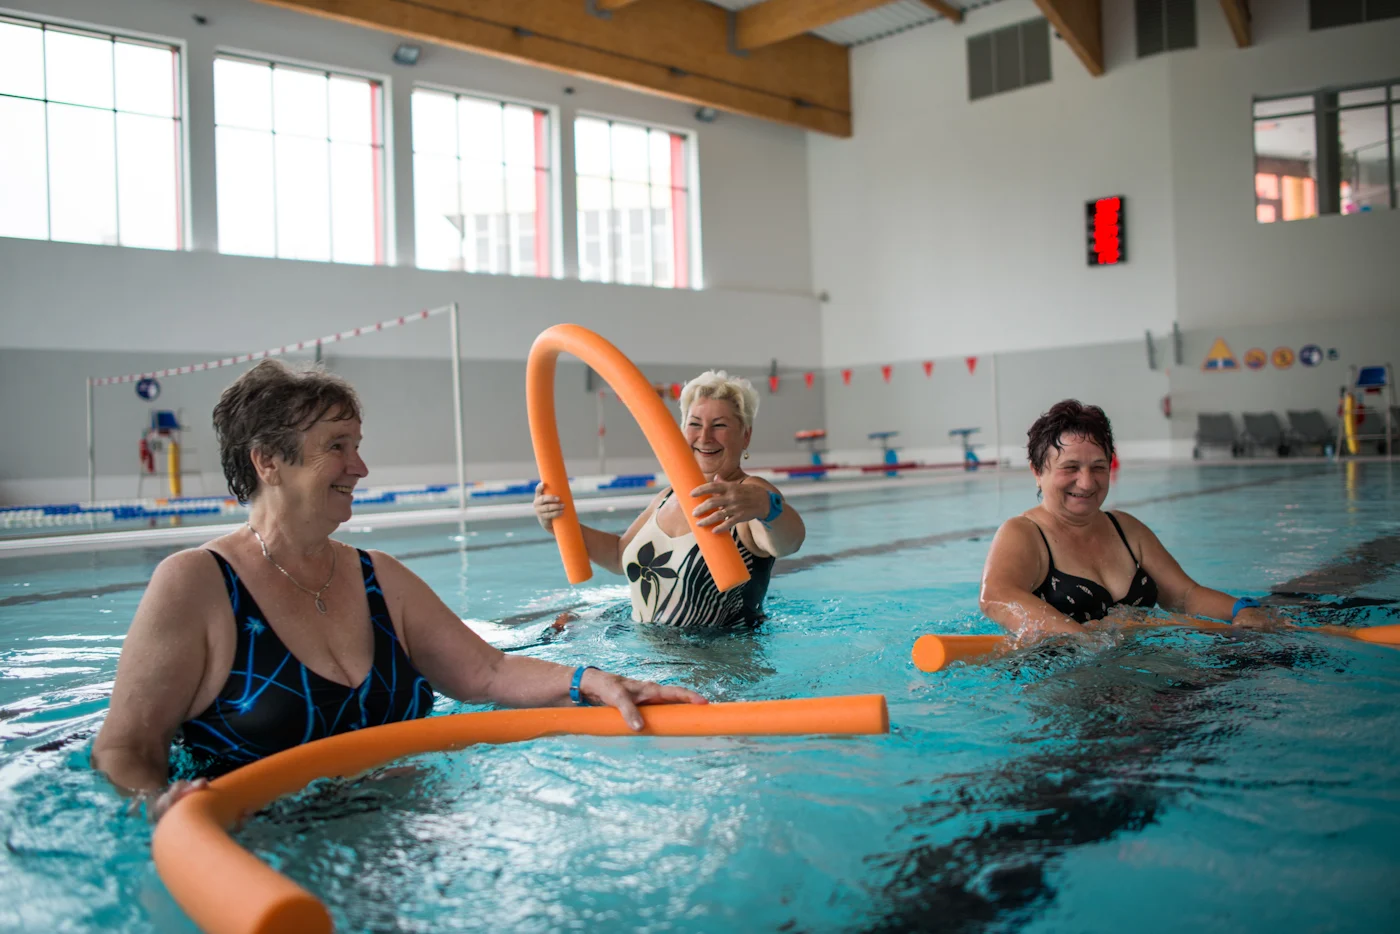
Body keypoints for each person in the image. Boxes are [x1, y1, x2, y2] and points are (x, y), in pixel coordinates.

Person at [92, 361, 703, 820]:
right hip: (265, 868)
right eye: (337, 447)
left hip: (407, 851)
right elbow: (125, 748)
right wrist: (157, 807)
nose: (360, 468)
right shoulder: (197, 585)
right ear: (267, 461)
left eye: (357, 447)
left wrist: (593, 681)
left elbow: (488, 673)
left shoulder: (379, 577)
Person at [979, 400, 1275, 635]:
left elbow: (1185, 596)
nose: (1087, 482)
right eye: (1070, 468)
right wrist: (1085, 639)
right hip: (1065, 681)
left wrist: (1241, 609)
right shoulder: (1024, 533)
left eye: (1098, 467)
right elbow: (996, 596)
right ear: (1037, 471)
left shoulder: (1125, 528)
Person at [534, 370, 805, 626]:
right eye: (695, 424)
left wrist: (768, 507)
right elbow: (618, 556)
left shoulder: (748, 494)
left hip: (721, 654)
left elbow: (789, 543)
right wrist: (560, 523)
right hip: (645, 648)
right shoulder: (668, 497)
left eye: (719, 425)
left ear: (745, 435)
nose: (705, 437)